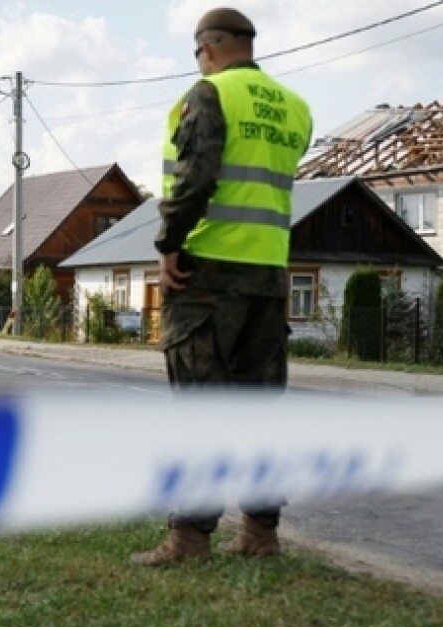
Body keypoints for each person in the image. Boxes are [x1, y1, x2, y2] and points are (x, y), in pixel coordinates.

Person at [130, 7, 313, 566]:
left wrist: (168, 245)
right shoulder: (295, 108)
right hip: (267, 276)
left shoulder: (206, 96)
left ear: (206, 48)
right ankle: (261, 533)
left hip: (206, 273)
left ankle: (189, 540)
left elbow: (198, 175)